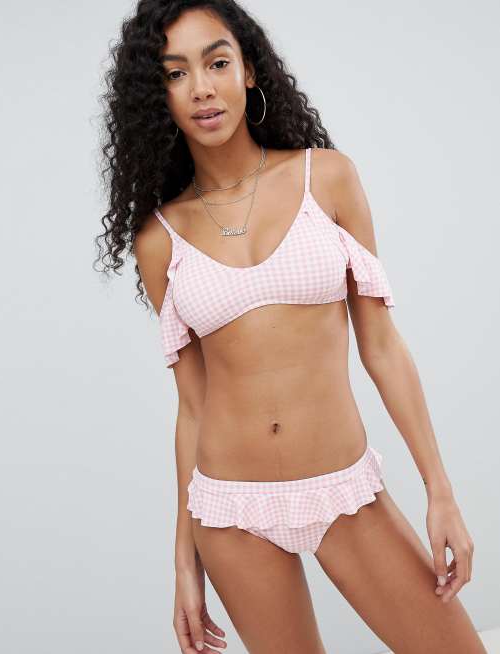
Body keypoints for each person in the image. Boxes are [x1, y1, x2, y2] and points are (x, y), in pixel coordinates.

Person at [96, 1, 486, 652]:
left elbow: (382, 348)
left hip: (343, 493)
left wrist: (439, 492)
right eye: (175, 73)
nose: (201, 88)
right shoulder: (159, 239)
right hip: (229, 510)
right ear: (156, 97)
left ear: (248, 71)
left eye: (217, 63)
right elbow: (192, 406)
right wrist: (184, 562)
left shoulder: (325, 178)